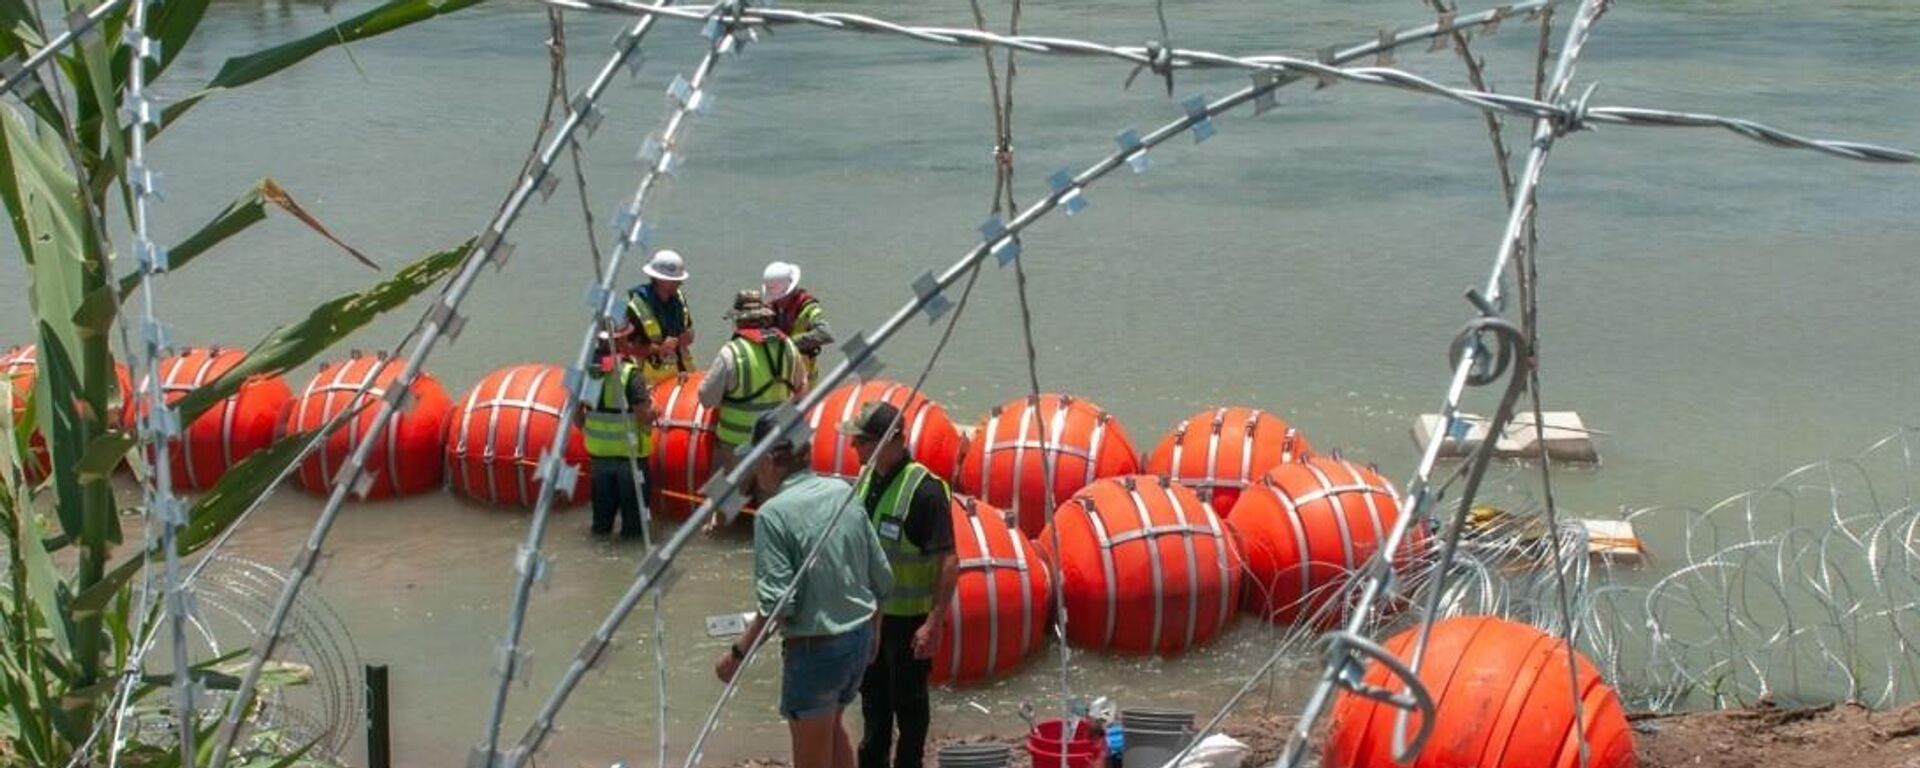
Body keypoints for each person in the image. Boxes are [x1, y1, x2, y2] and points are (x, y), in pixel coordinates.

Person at [715, 413, 894, 768]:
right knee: (832, 727)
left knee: (811, 750)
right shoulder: (842, 491)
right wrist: (874, 630)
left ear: (768, 460)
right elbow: (882, 576)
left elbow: (779, 605)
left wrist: (736, 656)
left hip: (818, 651)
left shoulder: (772, 515)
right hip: (857, 641)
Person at [845, 402, 958, 768]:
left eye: (861, 441)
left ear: (891, 440)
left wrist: (934, 623)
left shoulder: (924, 491)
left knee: (908, 705)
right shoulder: (867, 481)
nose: (854, 448)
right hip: (871, 619)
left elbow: (949, 561)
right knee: (873, 705)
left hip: (908, 623)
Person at [698, 290, 808, 471]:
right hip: (775, 442)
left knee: (729, 496)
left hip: (736, 446)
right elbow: (802, 390)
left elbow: (706, 399)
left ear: (739, 321)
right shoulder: (787, 345)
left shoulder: (732, 352)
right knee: (769, 496)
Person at [581, 321, 654, 539]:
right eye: (627, 338)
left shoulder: (586, 373)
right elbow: (643, 415)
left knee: (601, 524)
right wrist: (656, 412)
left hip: (598, 459)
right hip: (630, 461)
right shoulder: (631, 374)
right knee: (634, 528)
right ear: (620, 341)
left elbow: (576, 416)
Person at [626, 249, 696, 386]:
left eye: (679, 280)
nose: (680, 283)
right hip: (651, 380)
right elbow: (627, 347)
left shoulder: (679, 299)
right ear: (659, 279)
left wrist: (688, 337)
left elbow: (689, 330)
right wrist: (659, 349)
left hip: (683, 375)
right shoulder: (636, 306)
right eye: (674, 280)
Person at [762, 261, 835, 385]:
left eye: (779, 297)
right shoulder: (771, 309)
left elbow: (825, 334)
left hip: (804, 378)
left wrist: (788, 343)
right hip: (778, 378)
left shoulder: (809, 308)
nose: (776, 300)